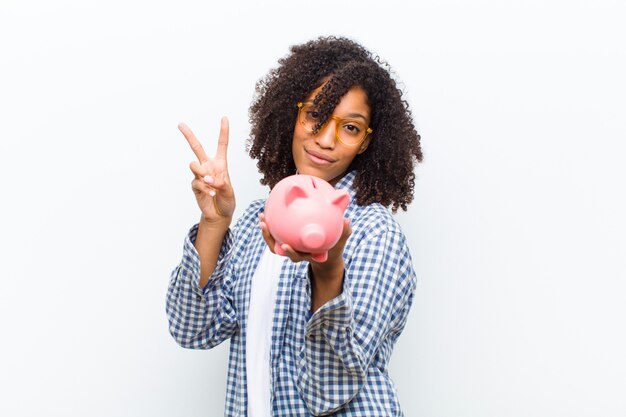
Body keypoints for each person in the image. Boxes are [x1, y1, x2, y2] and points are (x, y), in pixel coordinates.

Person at [166, 36, 423, 417]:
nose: (325, 139)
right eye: (315, 115)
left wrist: (327, 268)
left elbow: (330, 388)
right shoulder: (262, 218)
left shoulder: (373, 231)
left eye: (350, 127)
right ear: (294, 114)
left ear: (367, 143)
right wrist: (215, 223)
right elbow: (193, 329)